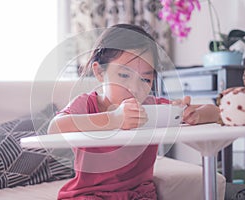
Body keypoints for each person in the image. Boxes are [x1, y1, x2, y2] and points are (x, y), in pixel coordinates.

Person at [48, 24, 220, 199]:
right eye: (124, 75)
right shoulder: (86, 104)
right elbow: (55, 127)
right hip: (90, 195)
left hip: (138, 195)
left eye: (145, 79)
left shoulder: (153, 107)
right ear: (100, 72)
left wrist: (195, 115)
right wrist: (114, 119)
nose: (135, 88)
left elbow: (215, 111)